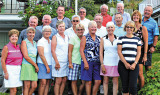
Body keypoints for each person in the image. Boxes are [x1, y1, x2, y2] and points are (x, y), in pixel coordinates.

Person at [117, 21, 141, 95]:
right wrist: (125, 63)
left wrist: (135, 63)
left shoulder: (137, 39)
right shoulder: (121, 38)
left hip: (134, 64)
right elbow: (119, 52)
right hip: (123, 65)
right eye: (127, 27)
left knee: (133, 86)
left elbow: (139, 53)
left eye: (131, 27)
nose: (129, 28)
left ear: (134, 29)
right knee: (125, 87)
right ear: (125, 28)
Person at [80, 21, 101, 95]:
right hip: (87, 62)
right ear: (88, 28)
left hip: (97, 62)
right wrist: (85, 63)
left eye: (95, 27)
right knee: (88, 82)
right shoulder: (84, 37)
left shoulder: (99, 38)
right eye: (92, 27)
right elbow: (81, 51)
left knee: (98, 81)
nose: (93, 28)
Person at [100, 22, 119, 95]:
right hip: (106, 62)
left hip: (115, 62)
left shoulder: (118, 38)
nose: (110, 29)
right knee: (105, 81)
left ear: (114, 28)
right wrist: (102, 64)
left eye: (111, 27)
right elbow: (101, 53)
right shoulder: (103, 39)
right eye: (108, 27)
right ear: (106, 29)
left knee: (115, 81)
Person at [1, 29, 23, 95]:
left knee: (15, 90)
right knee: (13, 90)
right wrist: (5, 73)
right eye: (12, 36)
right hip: (10, 70)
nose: (14, 38)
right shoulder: (6, 47)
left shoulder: (18, 47)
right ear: (9, 38)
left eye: (16, 36)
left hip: (18, 69)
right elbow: (2, 60)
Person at [131, 10, 148, 89]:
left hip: (140, 53)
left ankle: (142, 90)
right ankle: (135, 90)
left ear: (140, 17)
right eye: (134, 15)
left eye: (137, 16)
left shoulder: (143, 28)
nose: (136, 17)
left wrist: (145, 55)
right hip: (132, 53)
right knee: (134, 73)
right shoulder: (131, 27)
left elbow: (146, 42)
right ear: (132, 17)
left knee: (140, 73)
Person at [51, 21, 69, 95]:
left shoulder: (67, 37)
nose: (61, 28)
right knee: (58, 80)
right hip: (58, 61)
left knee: (64, 79)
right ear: (57, 28)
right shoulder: (55, 37)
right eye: (60, 26)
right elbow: (52, 50)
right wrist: (57, 62)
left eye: (63, 26)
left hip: (66, 61)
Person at [20, 27, 39, 95]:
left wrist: (35, 64)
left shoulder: (35, 42)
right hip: (27, 65)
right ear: (27, 34)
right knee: (27, 86)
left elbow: (36, 55)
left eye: (33, 32)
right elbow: (26, 56)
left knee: (34, 86)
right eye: (30, 32)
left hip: (33, 65)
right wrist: (35, 65)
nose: (31, 34)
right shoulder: (24, 42)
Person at [68, 24, 85, 95]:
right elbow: (70, 51)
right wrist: (70, 63)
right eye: (78, 29)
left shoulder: (85, 38)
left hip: (83, 63)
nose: (80, 31)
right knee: (74, 81)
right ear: (76, 30)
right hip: (74, 62)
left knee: (84, 82)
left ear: (84, 30)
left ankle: (79, 93)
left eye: (81, 29)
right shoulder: (73, 38)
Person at [142, 5, 159, 70]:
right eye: (146, 10)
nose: (147, 12)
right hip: (139, 45)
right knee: (138, 64)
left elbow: (156, 35)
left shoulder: (154, 23)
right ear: (144, 11)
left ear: (151, 12)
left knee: (148, 65)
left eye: (149, 11)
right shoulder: (140, 20)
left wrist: (153, 46)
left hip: (148, 45)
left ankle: (149, 78)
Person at [37, 25, 53, 95]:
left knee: (48, 83)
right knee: (43, 83)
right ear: (43, 32)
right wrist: (46, 66)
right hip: (42, 64)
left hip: (50, 63)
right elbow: (41, 55)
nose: (47, 32)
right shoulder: (41, 41)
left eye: (49, 31)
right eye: (46, 31)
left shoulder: (51, 41)